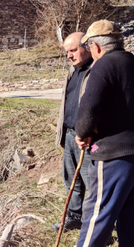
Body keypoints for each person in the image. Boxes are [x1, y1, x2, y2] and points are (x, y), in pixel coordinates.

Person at [75, 20, 134, 246]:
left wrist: (82, 132)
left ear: (95, 47)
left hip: (117, 154)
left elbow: (89, 108)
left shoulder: (103, 65)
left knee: (99, 214)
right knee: (131, 218)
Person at [52, 32, 93, 231]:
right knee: (71, 179)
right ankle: (74, 218)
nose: (69, 55)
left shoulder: (97, 70)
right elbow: (66, 103)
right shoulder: (72, 70)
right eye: (67, 52)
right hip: (69, 134)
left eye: (73, 50)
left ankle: (94, 225)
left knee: (92, 183)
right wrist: (62, 133)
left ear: (87, 46)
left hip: (86, 138)